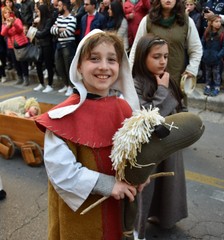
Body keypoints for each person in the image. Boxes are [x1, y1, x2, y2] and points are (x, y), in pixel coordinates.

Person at [35, 29, 147, 240]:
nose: (104, 66)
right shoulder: (62, 116)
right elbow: (62, 172)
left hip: (119, 207)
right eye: (94, 59)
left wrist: (141, 174)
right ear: (79, 65)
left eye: (111, 59)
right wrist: (109, 184)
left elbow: (139, 153)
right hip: (82, 215)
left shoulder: (125, 109)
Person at [132, 34, 186, 239]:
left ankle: (163, 216)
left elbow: (177, 108)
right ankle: (138, 230)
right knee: (146, 189)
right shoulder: (136, 83)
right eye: (156, 56)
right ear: (142, 57)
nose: (163, 61)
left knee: (168, 184)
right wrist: (162, 90)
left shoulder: (166, 78)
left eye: (165, 56)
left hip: (169, 144)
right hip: (149, 148)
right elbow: (147, 117)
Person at [129, 0, 202, 107]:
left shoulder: (186, 21)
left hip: (176, 78)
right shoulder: (148, 21)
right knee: (153, 115)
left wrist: (191, 69)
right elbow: (136, 48)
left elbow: (196, 49)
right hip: (150, 82)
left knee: (176, 116)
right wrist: (130, 75)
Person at [50, 0, 76, 96]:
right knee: (59, 66)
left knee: (68, 66)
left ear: (64, 7)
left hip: (68, 45)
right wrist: (61, 29)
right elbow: (52, 30)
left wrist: (58, 30)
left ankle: (70, 86)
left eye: (60, 6)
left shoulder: (72, 18)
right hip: (59, 45)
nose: (58, 7)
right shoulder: (59, 18)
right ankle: (66, 84)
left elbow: (68, 32)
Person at [1, 6, 30, 86]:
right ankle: (19, 77)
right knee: (15, 62)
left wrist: (13, 24)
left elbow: (20, 29)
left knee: (23, 62)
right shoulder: (4, 24)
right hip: (11, 45)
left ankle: (26, 78)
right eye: (5, 13)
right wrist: (7, 26)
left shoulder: (17, 20)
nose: (7, 14)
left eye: (8, 12)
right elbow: (3, 33)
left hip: (20, 43)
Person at [202, 15, 224, 96]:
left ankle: (216, 87)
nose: (218, 23)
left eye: (220, 22)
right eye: (216, 21)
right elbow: (202, 44)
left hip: (216, 59)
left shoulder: (222, 34)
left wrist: (218, 56)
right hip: (207, 58)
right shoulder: (206, 33)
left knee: (216, 74)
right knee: (208, 73)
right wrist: (204, 53)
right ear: (211, 23)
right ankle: (208, 86)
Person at [33, 4, 55, 93]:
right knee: (38, 64)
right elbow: (32, 30)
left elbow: (45, 32)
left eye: (38, 11)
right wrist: (34, 24)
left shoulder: (49, 20)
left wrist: (35, 33)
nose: (37, 13)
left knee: (48, 64)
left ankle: (50, 84)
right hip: (39, 45)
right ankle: (41, 83)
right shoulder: (38, 20)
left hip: (47, 44)